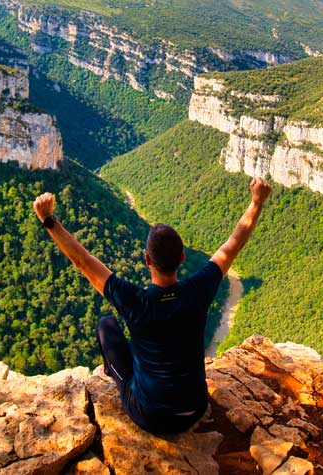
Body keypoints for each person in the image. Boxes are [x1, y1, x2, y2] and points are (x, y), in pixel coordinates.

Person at [33, 176, 271, 434]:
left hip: (150, 416)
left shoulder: (134, 300)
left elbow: (82, 260)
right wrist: (256, 202)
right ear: (182, 257)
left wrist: (48, 220)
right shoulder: (199, 289)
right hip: (195, 407)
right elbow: (233, 244)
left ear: (147, 259)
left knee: (106, 325)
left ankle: (114, 374)